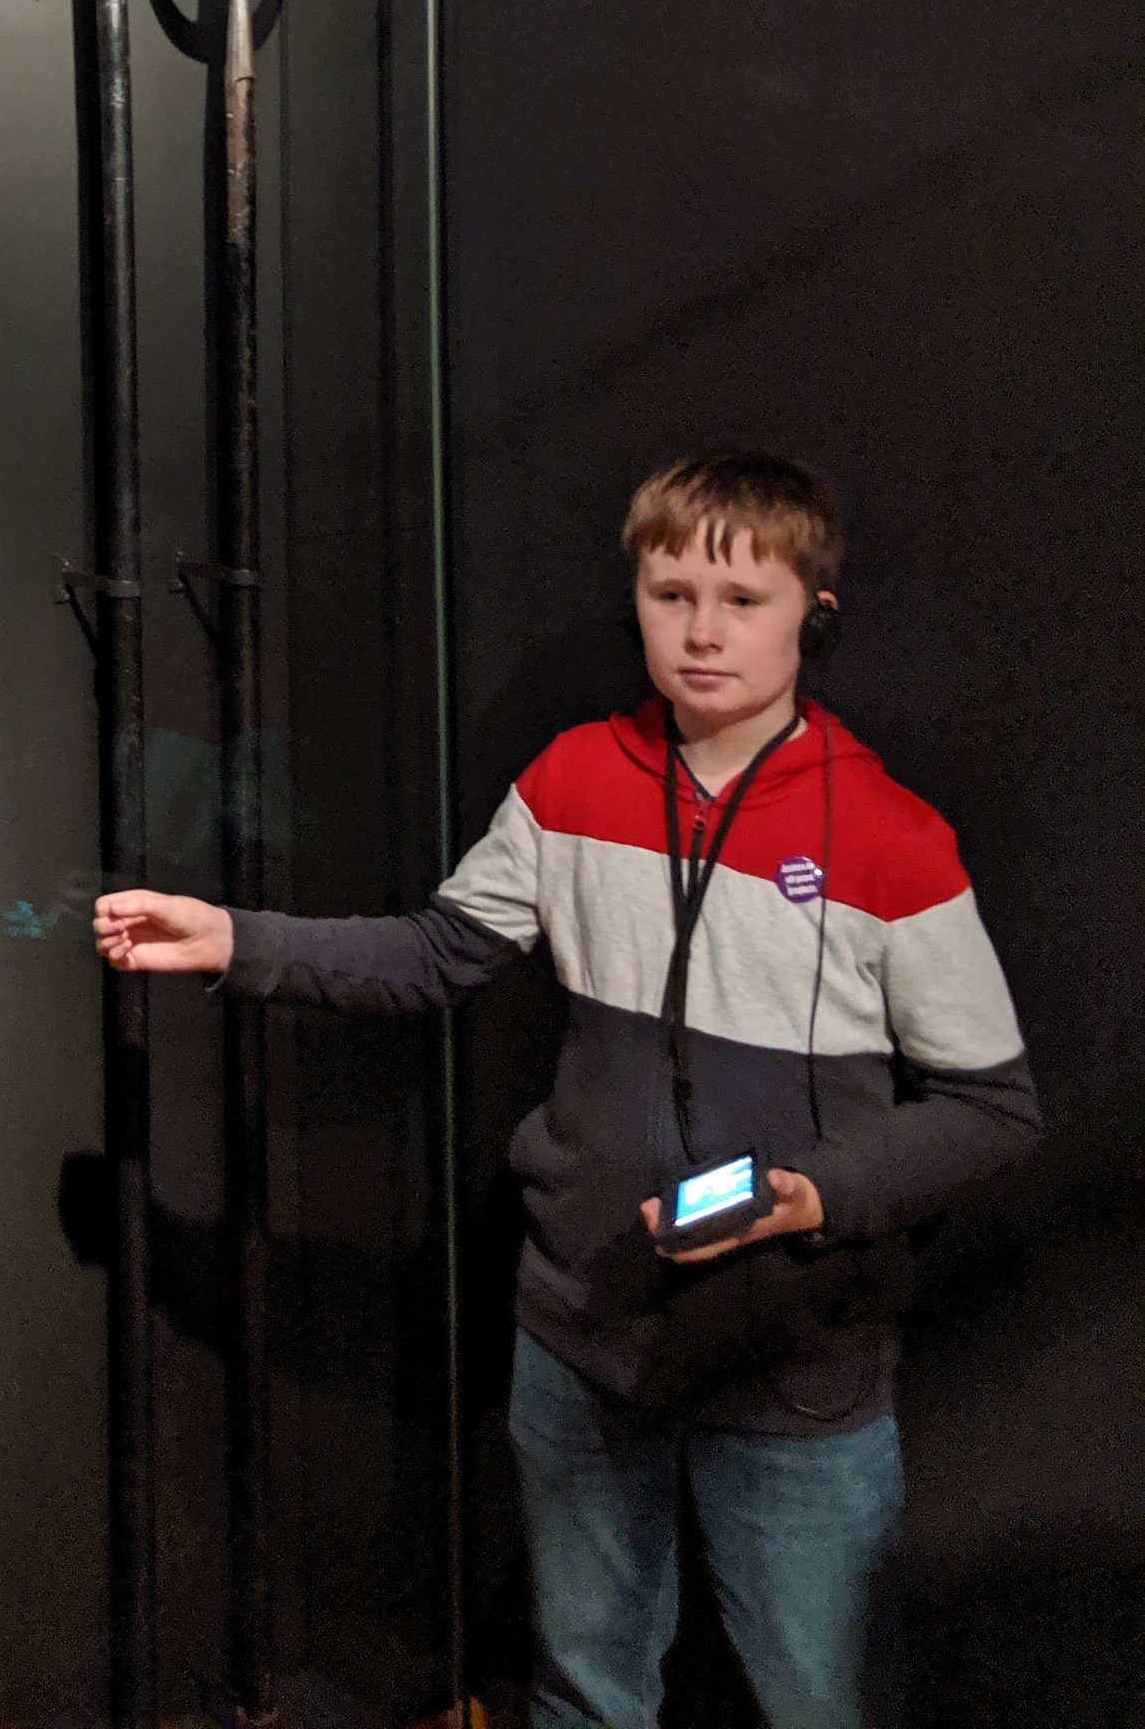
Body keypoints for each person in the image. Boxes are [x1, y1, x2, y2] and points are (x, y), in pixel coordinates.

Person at [94, 451, 1039, 1729]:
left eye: (742, 600)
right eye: (671, 594)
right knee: (585, 1690)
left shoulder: (893, 841)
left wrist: (815, 1194)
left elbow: (992, 1108)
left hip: (793, 1369)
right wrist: (234, 939)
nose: (702, 631)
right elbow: (437, 953)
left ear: (814, 615)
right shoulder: (573, 779)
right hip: (583, 1336)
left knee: (823, 1702)